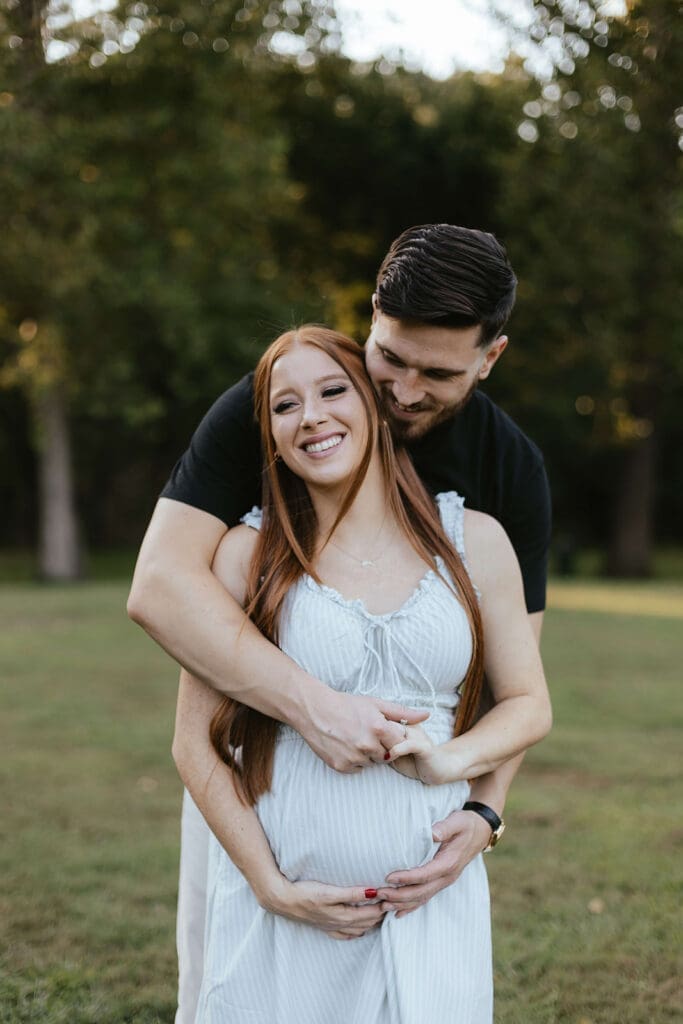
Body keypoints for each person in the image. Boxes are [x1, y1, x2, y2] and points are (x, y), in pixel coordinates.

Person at [127, 224, 552, 1021]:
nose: (402, 391)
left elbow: (515, 683)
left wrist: (484, 812)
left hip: (419, 848)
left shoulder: (507, 471)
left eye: (438, 373)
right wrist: (312, 709)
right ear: (370, 320)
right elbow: (160, 587)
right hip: (260, 801)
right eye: (389, 358)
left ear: (488, 357)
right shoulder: (286, 404)